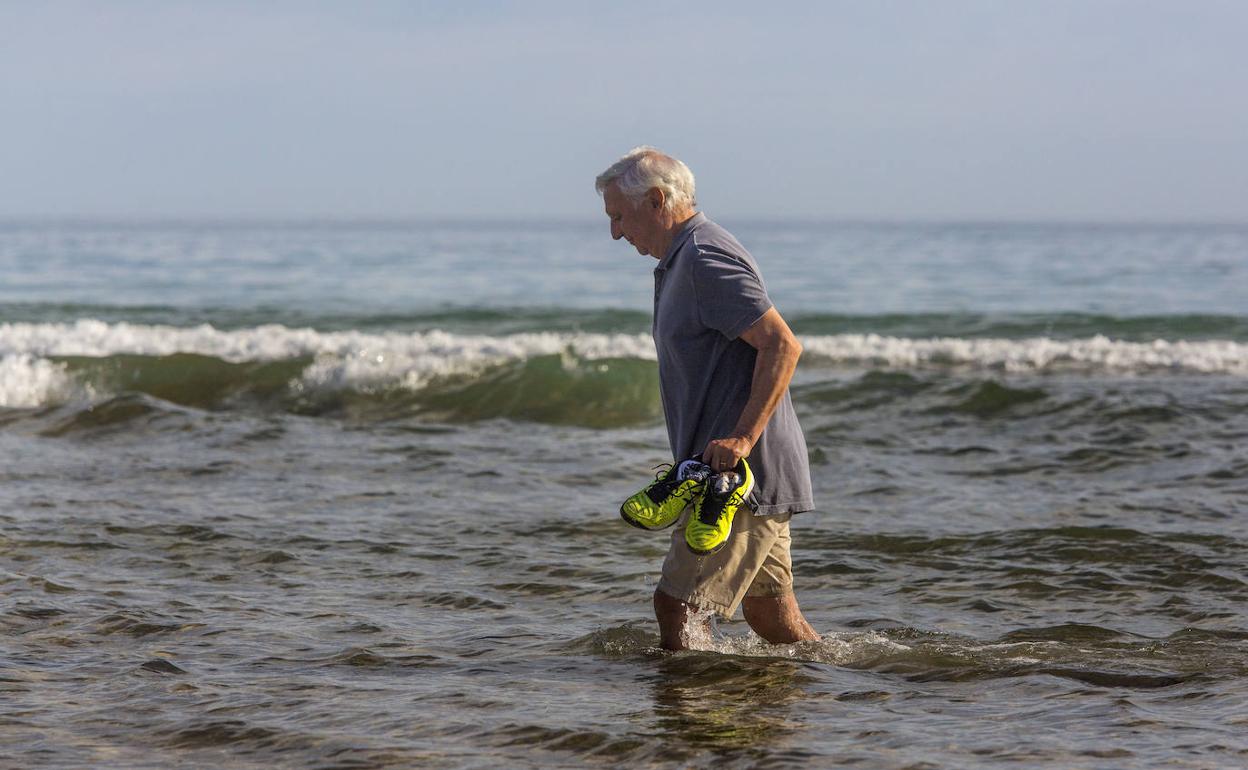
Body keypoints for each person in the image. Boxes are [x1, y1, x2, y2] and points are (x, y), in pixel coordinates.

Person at [595, 146, 821, 650]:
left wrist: (741, 436)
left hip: (737, 482)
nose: (615, 232)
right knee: (769, 614)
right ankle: (839, 694)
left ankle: (690, 724)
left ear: (656, 200)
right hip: (739, 475)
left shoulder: (703, 256)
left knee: (677, 605)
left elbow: (782, 345)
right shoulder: (684, 259)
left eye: (618, 217)